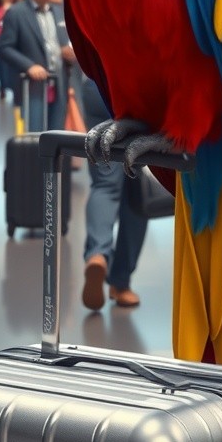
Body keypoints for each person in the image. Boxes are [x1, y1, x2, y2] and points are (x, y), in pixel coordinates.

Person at [81, 77, 148, 309]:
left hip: (97, 85)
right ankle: (121, 284)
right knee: (136, 186)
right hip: (138, 88)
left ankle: (97, 254)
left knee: (105, 184)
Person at [0, 0, 76, 129]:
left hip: (59, 83)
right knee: (35, 135)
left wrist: (69, 51)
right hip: (32, 87)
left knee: (57, 134)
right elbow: (5, 47)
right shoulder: (16, 13)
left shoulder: (58, 11)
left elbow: (64, 40)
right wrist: (29, 66)